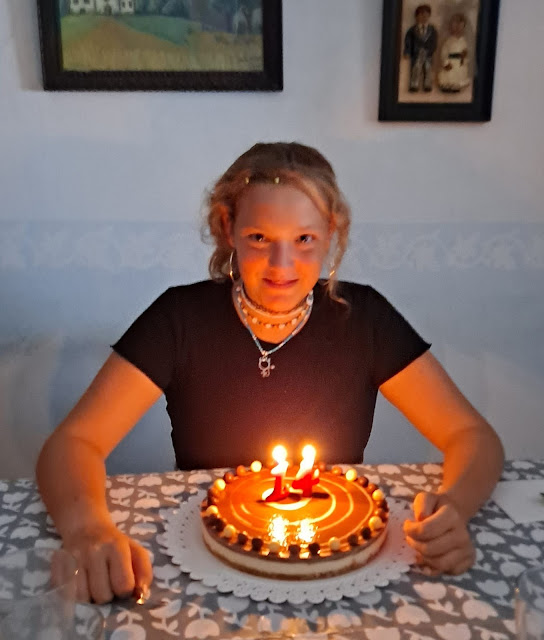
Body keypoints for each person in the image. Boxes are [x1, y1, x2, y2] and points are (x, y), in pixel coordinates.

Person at [36, 142, 504, 604]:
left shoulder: (365, 318)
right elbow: (74, 442)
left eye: (304, 240)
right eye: (260, 238)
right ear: (227, 227)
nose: (282, 266)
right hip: (207, 575)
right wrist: (87, 528)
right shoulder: (179, 318)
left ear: (331, 231)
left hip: (334, 573)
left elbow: (471, 434)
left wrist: (454, 508)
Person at [403, 4, 438, 92]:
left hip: (427, 53)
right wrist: (407, 52)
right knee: (416, 69)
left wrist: (431, 50)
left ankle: (427, 84)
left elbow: (434, 41)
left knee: (428, 68)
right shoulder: (412, 30)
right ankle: (414, 84)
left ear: (429, 16)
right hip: (416, 53)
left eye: (426, 16)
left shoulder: (432, 30)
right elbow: (408, 41)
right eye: (421, 15)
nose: (424, 18)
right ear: (416, 16)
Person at [438, 13, 471, 93]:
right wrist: (446, 63)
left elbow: (465, 52)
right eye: (455, 26)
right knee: (448, 74)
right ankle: (447, 86)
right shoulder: (448, 41)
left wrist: (464, 57)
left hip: (459, 63)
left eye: (460, 27)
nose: (458, 29)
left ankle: (456, 86)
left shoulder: (463, 41)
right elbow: (444, 53)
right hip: (451, 62)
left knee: (458, 74)